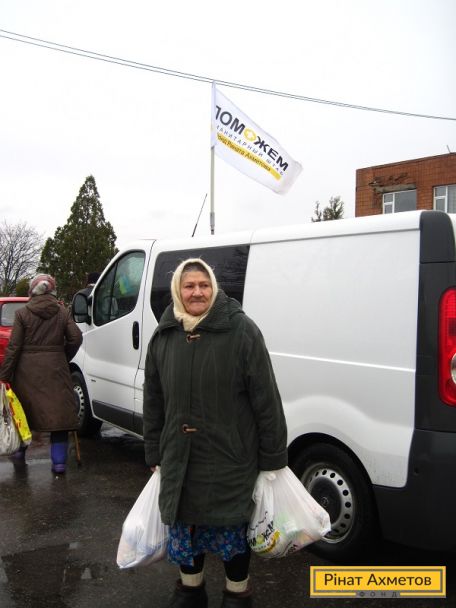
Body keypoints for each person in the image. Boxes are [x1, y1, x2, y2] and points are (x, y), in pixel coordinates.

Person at [143, 259, 288, 608]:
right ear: (178, 290)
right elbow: (154, 399)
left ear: (214, 288)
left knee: (231, 531)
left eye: (204, 285)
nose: (197, 292)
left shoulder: (242, 331)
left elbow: (266, 399)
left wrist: (273, 459)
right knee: (185, 528)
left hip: (230, 458)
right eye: (189, 286)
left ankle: (237, 594)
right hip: (179, 458)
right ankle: (190, 591)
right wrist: (154, 451)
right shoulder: (164, 335)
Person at [0, 274, 82, 474]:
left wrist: (4, 376)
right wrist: (63, 356)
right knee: (59, 417)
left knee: (24, 413)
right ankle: (59, 463)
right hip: (56, 369)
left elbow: (14, 347)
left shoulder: (22, 313)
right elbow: (76, 337)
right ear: (53, 291)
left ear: (32, 291)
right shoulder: (62, 312)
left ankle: (19, 453)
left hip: (26, 372)